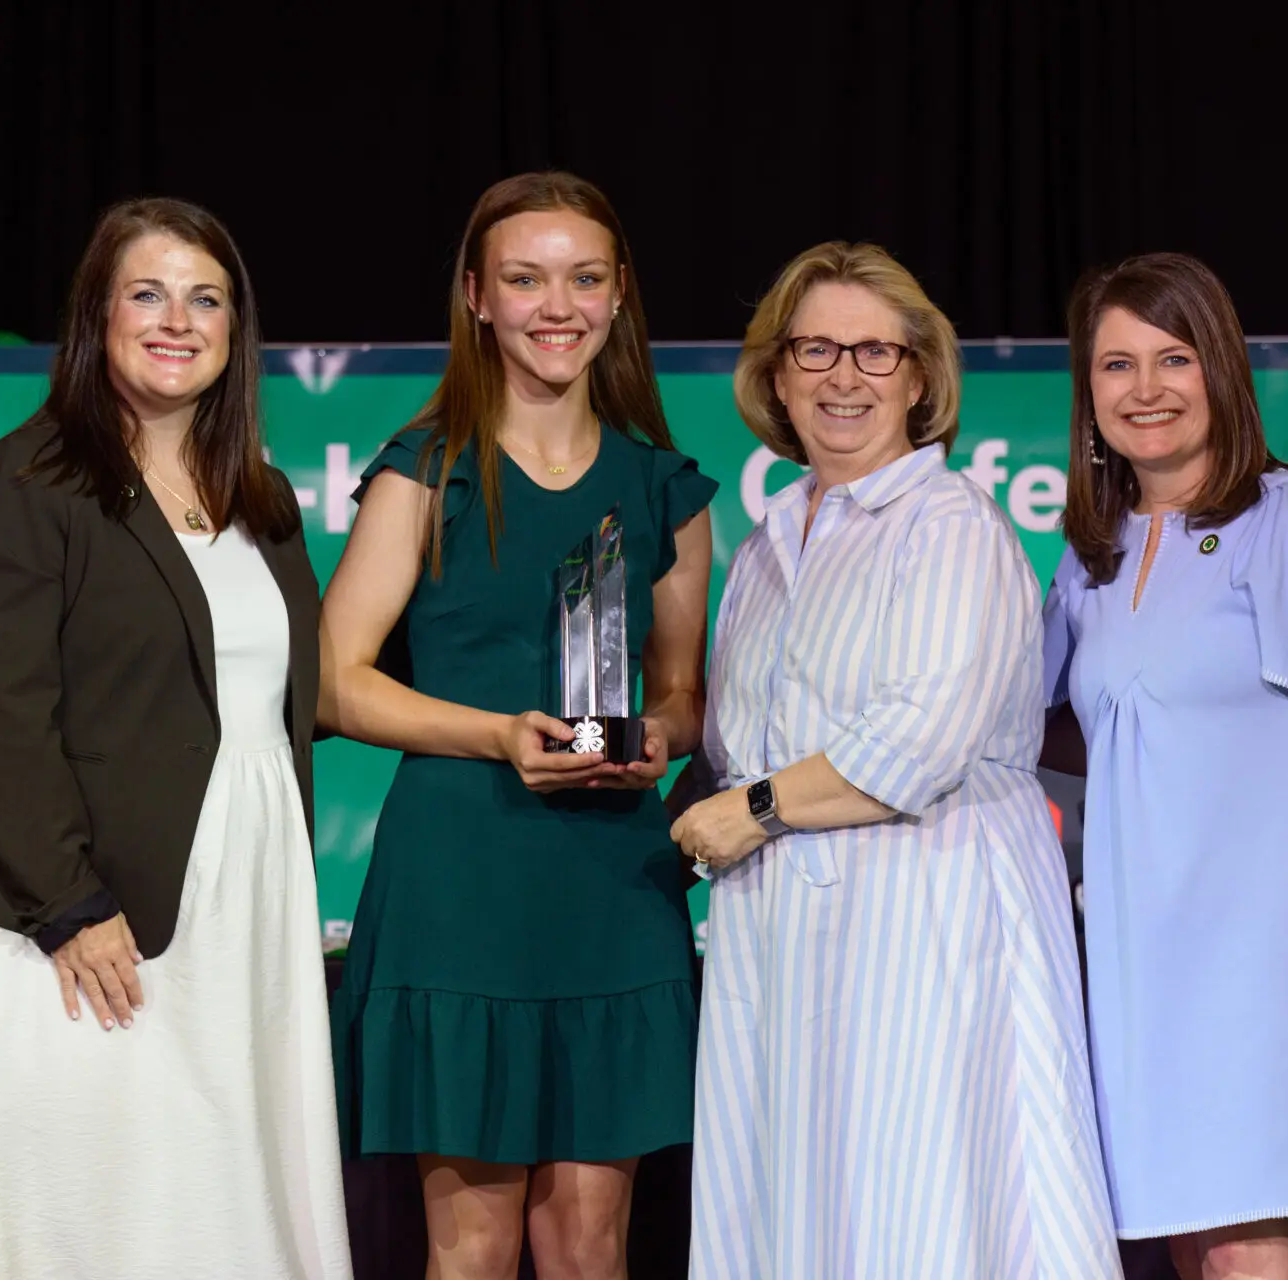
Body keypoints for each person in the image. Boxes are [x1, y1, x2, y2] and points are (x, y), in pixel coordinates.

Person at [0, 197, 352, 1280]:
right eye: (146, 294)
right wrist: (69, 901)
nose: (178, 320)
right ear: (96, 316)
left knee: (228, 1219)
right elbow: (1, 716)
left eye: (206, 298)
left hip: (239, 910)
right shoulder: (26, 482)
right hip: (74, 926)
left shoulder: (260, 498)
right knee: (90, 1226)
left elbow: (273, 702)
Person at [672, 241, 1119, 1278]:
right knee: (798, 1214)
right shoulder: (765, 544)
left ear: (920, 376)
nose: (844, 376)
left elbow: (914, 742)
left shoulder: (950, 525)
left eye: (875, 352)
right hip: (785, 942)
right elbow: (736, 737)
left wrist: (752, 808)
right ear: (775, 375)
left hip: (927, 924)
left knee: (924, 1216)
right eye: (817, 348)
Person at [321, 171, 716, 1280]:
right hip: (461, 878)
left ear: (620, 295)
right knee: (475, 1241)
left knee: (591, 1244)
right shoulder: (421, 470)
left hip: (611, 881)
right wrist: (500, 734)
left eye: (585, 278)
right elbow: (333, 684)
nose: (559, 305)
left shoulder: (666, 488)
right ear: (475, 297)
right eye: (527, 278)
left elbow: (687, 696)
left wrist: (657, 734)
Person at [1040, 252, 1288, 1279]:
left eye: (1173, 357)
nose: (1146, 389)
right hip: (1139, 955)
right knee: (1193, 1237)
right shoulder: (1091, 550)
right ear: (1088, 392)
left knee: (1244, 1239)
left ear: (1221, 366)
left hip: (1267, 951)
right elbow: (1028, 735)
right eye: (1117, 365)